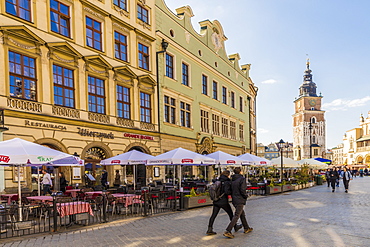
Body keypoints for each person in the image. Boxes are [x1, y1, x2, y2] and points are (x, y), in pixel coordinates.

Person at [206, 170, 242, 235]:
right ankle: (235, 226)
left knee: (213, 215)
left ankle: (209, 229)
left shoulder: (218, 180)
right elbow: (227, 191)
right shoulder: (227, 181)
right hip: (223, 201)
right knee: (230, 214)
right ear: (228, 175)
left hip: (216, 201)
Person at [223, 167, 253, 239]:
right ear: (240, 172)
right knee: (237, 215)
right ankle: (228, 230)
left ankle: (246, 227)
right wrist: (245, 196)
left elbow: (229, 190)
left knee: (241, 213)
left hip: (234, 199)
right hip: (240, 199)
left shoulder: (232, 179)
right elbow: (243, 189)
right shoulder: (242, 179)